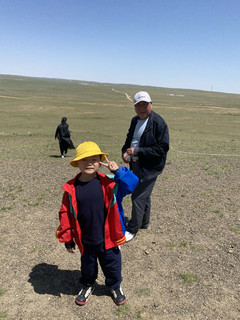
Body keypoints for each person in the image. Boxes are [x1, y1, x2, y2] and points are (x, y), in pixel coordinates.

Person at [56, 141, 139, 306]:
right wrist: (68, 238)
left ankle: (115, 286)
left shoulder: (111, 183)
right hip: (85, 238)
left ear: (100, 162)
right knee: (88, 266)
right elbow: (65, 213)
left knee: (112, 265)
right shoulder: (71, 188)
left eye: (94, 159)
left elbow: (132, 184)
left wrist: (118, 171)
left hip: (109, 237)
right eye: (84, 160)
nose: (89, 163)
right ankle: (87, 284)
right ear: (77, 163)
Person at [122, 91, 169, 242]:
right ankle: (144, 222)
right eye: (138, 105)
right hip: (136, 164)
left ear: (151, 104)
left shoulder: (158, 123)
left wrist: (138, 151)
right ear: (135, 107)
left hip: (150, 168)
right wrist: (125, 152)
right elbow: (129, 138)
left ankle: (132, 228)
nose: (142, 108)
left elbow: (162, 148)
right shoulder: (135, 120)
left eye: (145, 104)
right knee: (144, 195)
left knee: (138, 196)